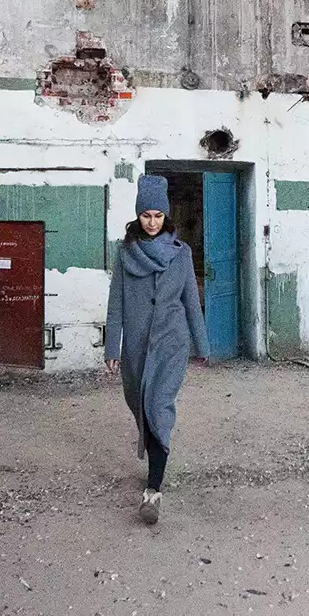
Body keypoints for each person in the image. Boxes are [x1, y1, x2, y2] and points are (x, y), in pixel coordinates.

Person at [104, 175, 209, 525]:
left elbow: (191, 301)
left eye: (158, 216)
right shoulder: (125, 253)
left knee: (159, 407)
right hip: (135, 347)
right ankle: (154, 465)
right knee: (141, 407)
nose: (152, 222)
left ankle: (153, 490)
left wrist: (202, 344)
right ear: (138, 215)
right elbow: (116, 304)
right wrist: (112, 347)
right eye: (146, 215)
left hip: (170, 345)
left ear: (166, 216)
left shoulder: (182, 254)